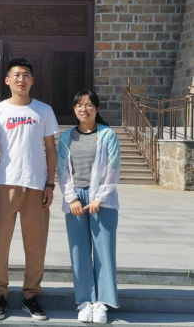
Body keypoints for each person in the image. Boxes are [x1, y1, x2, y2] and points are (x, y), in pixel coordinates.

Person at [0, 58, 59, 321]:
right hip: (6, 184)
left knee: (36, 245)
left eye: (26, 75)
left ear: (32, 80)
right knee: (1, 244)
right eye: (16, 75)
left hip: (36, 185)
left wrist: (50, 184)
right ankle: (0, 296)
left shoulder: (43, 110)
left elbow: (50, 149)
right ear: (7, 80)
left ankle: (31, 296)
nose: (21, 79)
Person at [57, 90, 120, 324]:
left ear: (97, 109)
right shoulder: (66, 137)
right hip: (75, 200)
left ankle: (102, 302)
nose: (84, 109)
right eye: (79, 105)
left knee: (104, 251)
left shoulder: (107, 135)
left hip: (103, 200)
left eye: (89, 105)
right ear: (74, 110)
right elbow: (62, 170)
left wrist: (99, 198)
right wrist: (71, 198)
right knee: (79, 251)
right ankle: (85, 301)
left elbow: (113, 168)